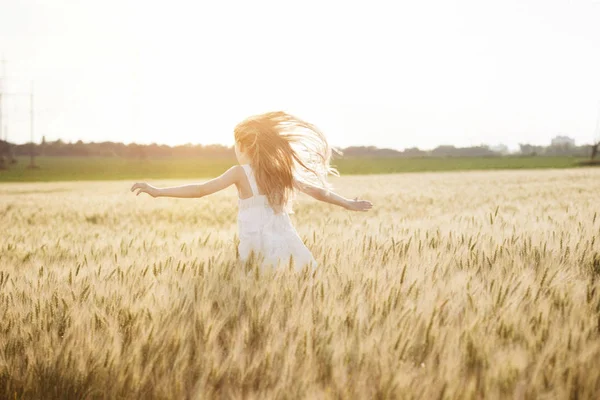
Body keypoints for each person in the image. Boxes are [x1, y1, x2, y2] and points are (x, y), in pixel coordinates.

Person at [130, 111, 373, 271]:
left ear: (244, 146)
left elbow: (200, 190)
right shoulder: (279, 172)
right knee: (292, 284)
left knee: (255, 286)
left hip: (256, 244)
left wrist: (158, 191)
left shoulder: (239, 172)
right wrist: (348, 204)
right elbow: (318, 192)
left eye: (235, 145)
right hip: (285, 242)